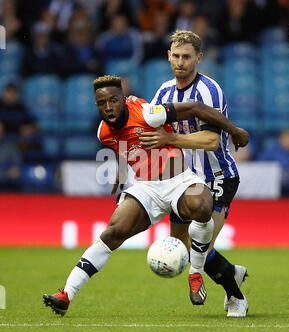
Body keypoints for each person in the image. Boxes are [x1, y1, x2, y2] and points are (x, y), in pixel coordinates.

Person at [42, 75, 249, 317]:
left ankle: (195, 273)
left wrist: (233, 130)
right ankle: (66, 294)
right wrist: (121, 169)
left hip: (178, 180)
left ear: (123, 99)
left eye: (113, 100)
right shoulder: (103, 132)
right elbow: (123, 141)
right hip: (147, 187)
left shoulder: (150, 113)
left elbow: (196, 107)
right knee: (112, 233)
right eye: (101, 103)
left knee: (202, 206)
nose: (108, 107)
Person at [139, 30, 249, 317]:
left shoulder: (209, 91)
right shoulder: (163, 92)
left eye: (187, 57)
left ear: (198, 58)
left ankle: (236, 298)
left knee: (202, 246)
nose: (180, 62)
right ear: (168, 56)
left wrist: (170, 140)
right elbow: (153, 130)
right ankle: (230, 272)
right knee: (186, 249)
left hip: (217, 177)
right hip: (183, 181)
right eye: (175, 56)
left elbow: (211, 141)